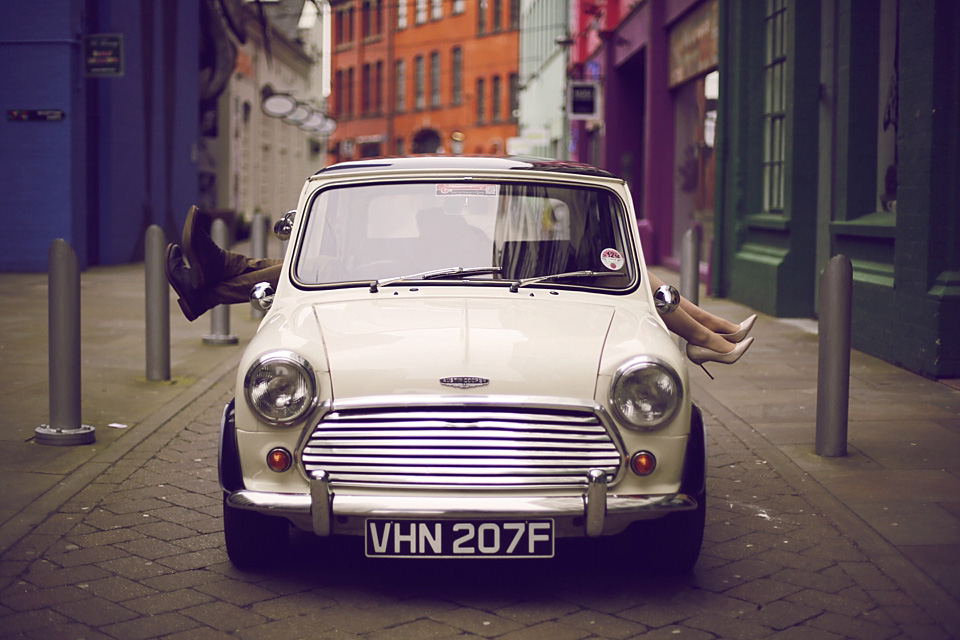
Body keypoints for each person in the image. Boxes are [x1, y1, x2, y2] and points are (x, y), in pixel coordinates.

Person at [165, 207, 755, 374]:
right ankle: (713, 338)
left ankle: (213, 281)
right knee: (651, 284)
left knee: (647, 283)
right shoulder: (488, 237)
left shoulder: (546, 240)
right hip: (427, 277)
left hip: (500, 279)